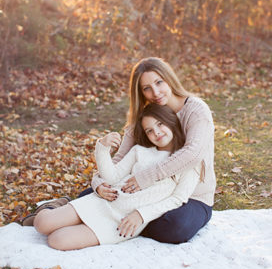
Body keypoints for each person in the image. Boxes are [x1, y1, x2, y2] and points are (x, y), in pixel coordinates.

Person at [33, 103, 199, 249]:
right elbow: (111, 177)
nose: (156, 132)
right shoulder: (139, 151)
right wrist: (103, 148)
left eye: (160, 124)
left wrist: (141, 215)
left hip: (122, 221)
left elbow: (177, 199)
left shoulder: (186, 161)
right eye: (149, 130)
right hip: (104, 202)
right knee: (42, 224)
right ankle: (52, 208)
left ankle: (64, 215)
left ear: (170, 121)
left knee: (57, 240)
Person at [90, 57, 216, 244]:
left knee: (175, 227)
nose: (155, 92)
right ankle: (124, 219)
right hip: (146, 194)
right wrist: (97, 182)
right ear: (140, 93)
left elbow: (193, 154)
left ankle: (129, 221)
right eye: (146, 88)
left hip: (190, 197)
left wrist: (146, 178)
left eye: (159, 82)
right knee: (89, 195)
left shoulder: (196, 110)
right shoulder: (144, 118)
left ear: (169, 79)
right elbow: (119, 159)